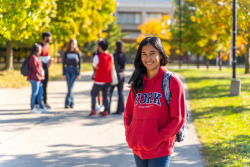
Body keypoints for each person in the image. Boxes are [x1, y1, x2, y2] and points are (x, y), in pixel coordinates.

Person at [124, 37, 186, 167]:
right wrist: (131, 133)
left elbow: (178, 119)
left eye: (152, 53)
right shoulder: (138, 82)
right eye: (144, 54)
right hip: (138, 146)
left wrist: (158, 137)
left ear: (160, 54)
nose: (148, 58)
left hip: (160, 149)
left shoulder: (172, 82)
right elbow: (128, 115)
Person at [88, 39, 112, 117]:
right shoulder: (110, 55)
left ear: (100, 47)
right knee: (106, 95)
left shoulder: (97, 57)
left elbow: (95, 66)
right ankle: (106, 111)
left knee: (93, 93)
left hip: (99, 79)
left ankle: (93, 110)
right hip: (108, 79)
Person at [28, 43, 49, 113]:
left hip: (38, 79)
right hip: (34, 78)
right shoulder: (33, 58)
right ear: (37, 50)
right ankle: (32, 108)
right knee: (35, 93)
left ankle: (41, 107)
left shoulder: (37, 57)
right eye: (40, 50)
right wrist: (41, 73)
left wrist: (42, 72)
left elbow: (40, 67)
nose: (41, 51)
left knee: (40, 92)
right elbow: (35, 68)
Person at [62, 39, 81, 108]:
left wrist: (79, 73)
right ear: (70, 44)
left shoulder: (77, 52)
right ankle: (71, 103)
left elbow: (80, 64)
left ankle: (67, 103)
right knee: (69, 87)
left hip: (74, 70)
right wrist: (63, 73)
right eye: (72, 43)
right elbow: (63, 63)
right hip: (67, 70)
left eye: (75, 43)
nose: (73, 45)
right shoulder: (66, 52)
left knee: (71, 87)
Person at [36, 31, 53, 109]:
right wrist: (44, 64)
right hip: (40, 69)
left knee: (45, 86)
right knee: (39, 86)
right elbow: (37, 58)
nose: (50, 39)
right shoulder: (39, 46)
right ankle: (36, 103)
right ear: (45, 37)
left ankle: (45, 102)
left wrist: (50, 62)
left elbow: (47, 57)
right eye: (49, 37)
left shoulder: (47, 46)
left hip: (46, 68)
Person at [110, 41, 126, 115]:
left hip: (116, 75)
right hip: (122, 74)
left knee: (109, 92)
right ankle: (121, 110)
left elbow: (114, 66)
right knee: (121, 93)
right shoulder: (124, 55)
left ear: (117, 46)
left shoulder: (115, 55)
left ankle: (107, 108)